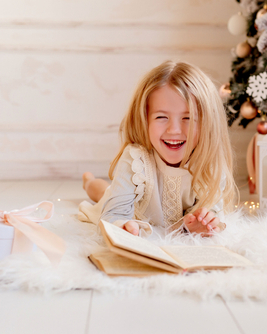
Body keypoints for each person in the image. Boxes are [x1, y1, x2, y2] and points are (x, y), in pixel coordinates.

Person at [78, 60, 237, 237]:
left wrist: (205, 222)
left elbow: (213, 213)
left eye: (188, 118)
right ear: (145, 119)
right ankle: (88, 180)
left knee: (105, 191)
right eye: (161, 117)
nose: (174, 130)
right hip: (134, 210)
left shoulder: (210, 164)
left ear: (208, 123)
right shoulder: (136, 160)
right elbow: (112, 216)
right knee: (102, 193)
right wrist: (123, 226)